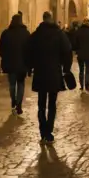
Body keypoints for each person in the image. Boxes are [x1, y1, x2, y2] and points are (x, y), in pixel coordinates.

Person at [25, 11, 73, 142]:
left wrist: (30, 67)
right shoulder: (59, 34)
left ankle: (43, 130)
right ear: (51, 19)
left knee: (41, 104)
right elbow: (68, 51)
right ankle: (49, 132)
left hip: (40, 73)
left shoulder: (36, 35)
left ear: (43, 19)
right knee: (52, 104)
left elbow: (28, 52)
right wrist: (66, 68)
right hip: (54, 73)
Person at [0, 12, 30, 115]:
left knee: (12, 84)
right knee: (21, 84)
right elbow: (30, 49)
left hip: (10, 64)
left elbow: (0, 48)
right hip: (23, 64)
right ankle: (19, 105)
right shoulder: (26, 33)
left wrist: (5, 57)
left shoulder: (6, 33)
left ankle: (13, 101)